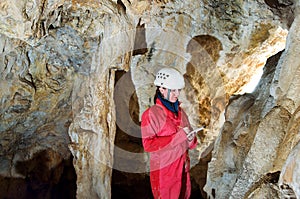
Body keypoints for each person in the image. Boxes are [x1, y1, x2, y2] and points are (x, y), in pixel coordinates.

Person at [141, 67, 198, 199]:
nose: (177, 94)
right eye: (173, 90)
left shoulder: (181, 113)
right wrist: (179, 137)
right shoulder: (151, 114)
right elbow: (148, 145)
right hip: (164, 173)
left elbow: (192, 144)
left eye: (178, 90)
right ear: (161, 89)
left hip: (183, 168)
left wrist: (191, 139)